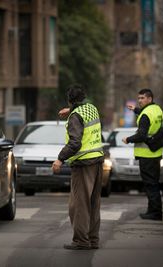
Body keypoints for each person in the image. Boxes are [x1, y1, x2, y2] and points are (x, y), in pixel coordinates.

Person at [52, 84, 104, 250]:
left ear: (70, 101)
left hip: (83, 164)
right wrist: (71, 110)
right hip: (97, 160)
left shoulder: (75, 116)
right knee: (94, 203)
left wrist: (60, 159)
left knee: (79, 205)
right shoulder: (92, 108)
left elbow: (75, 143)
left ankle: (81, 241)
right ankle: (93, 239)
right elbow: (83, 113)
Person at [122, 88, 163, 221]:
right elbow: (145, 114)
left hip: (146, 155)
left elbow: (141, 135)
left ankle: (155, 213)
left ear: (149, 99)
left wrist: (128, 139)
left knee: (150, 185)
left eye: (142, 98)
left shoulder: (146, 115)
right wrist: (135, 109)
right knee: (154, 184)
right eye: (139, 98)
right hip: (156, 153)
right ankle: (153, 211)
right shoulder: (157, 110)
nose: (139, 101)